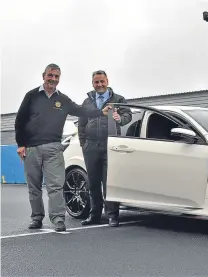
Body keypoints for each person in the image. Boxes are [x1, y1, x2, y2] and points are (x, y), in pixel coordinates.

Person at [14, 63, 112, 232]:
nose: (53, 79)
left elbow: (81, 111)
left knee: (56, 186)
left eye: (56, 76)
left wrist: (101, 112)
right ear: (43, 76)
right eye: (50, 75)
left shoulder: (63, 100)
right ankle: (36, 218)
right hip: (31, 148)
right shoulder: (31, 96)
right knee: (34, 187)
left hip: (53, 147)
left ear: (59, 78)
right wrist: (21, 144)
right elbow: (20, 120)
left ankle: (58, 219)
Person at [78, 70, 132, 227]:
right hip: (91, 146)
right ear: (92, 83)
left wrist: (120, 118)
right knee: (93, 182)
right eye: (96, 82)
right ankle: (94, 215)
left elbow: (127, 116)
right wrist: (84, 144)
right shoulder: (87, 101)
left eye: (102, 81)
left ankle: (112, 215)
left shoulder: (118, 99)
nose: (99, 85)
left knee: (110, 181)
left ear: (107, 81)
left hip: (111, 145)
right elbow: (81, 123)